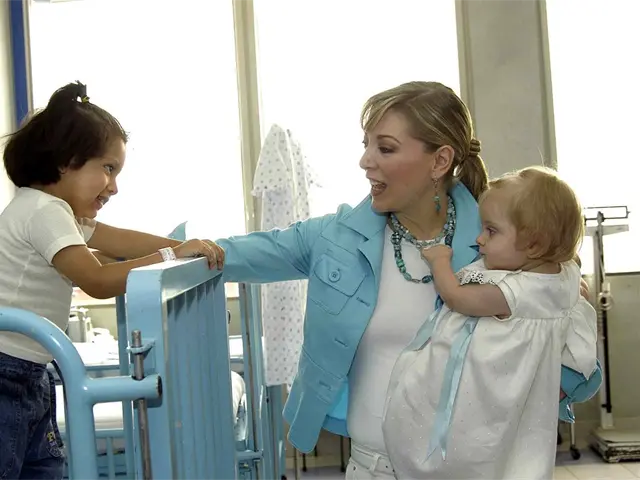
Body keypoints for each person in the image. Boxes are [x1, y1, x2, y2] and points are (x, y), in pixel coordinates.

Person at [216, 81, 601, 479]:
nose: (365, 161)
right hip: (371, 467)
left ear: (440, 161)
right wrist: (195, 252)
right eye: (366, 144)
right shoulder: (339, 239)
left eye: (385, 148)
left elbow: (579, 362)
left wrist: (526, 390)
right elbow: (255, 251)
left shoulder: (509, 245)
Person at [0, 81, 223, 480]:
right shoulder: (44, 211)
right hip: (7, 373)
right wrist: (173, 255)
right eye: (108, 168)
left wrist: (184, 247)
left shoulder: (58, 212)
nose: (114, 187)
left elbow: (117, 241)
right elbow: (97, 280)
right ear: (66, 161)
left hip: (31, 372)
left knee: (43, 470)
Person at [382, 166, 598, 479]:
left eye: (491, 231)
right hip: (522, 394)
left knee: (475, 445)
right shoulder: (560, 275)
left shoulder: (516, 291)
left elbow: (457, 297)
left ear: (534, 245)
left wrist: (440, 261)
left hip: (490, 390)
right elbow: (577, 286)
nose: (479, 239)